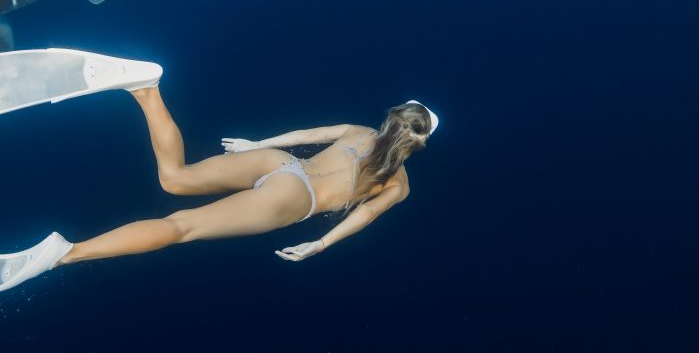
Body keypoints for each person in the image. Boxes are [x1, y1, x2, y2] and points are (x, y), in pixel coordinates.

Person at [58, 86, 438, 265]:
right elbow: (365, 215)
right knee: (182, 226)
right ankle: (69, 254)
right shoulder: (399, 183)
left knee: (175, 177)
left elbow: (304, 136)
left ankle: (146, 91)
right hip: (295, 197)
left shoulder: (358, 130)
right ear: (421, 142)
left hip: (278, 162)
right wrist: (320, 244)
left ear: (393, 117)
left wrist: (256, 144)